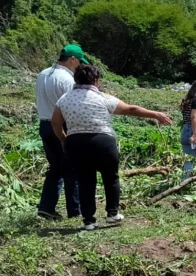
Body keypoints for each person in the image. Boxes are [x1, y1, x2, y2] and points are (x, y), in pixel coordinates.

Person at [51, 65, 173, 230]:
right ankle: (112, 214)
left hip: (76, 143)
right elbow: (130, 109)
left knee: (85, 181)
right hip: (102, 142)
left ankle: (88, 221)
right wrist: (155, 114)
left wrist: (64, 139)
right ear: (96, 80)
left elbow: (55, 122)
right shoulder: (101, 97)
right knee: (111, 177)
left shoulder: (64, 99)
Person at [35, 44, 89, 220]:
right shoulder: (67, 79)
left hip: (45, 125)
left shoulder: (43, 74)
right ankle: (75, 210)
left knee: (55, 168)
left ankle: (46, 207)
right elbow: (72, 106)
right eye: (79, 61)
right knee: (72, 168)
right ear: (72, 59)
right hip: (63, 126)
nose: (79, 65)